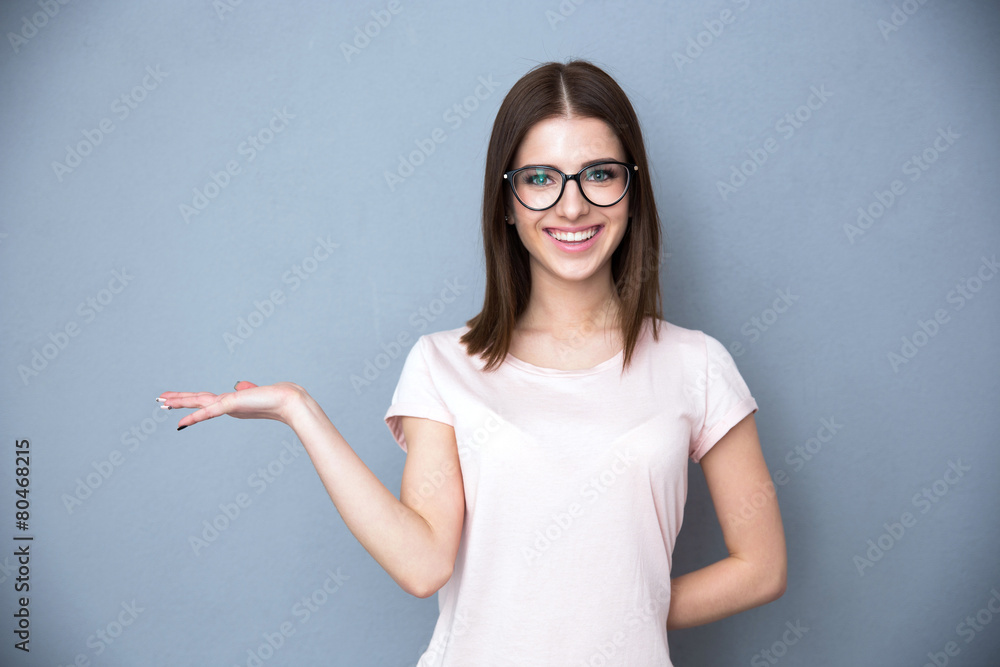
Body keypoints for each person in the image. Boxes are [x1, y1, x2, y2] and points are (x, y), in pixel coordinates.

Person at [158, 59, 786, 665]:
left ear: (631, 187)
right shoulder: (442, 365)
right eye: (540, 178)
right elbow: (423, 563)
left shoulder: (696, 365)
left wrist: (618, 610)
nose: (572, 206)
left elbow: (762, 567)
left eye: (598, 173)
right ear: (507, 202)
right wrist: (300, 410)